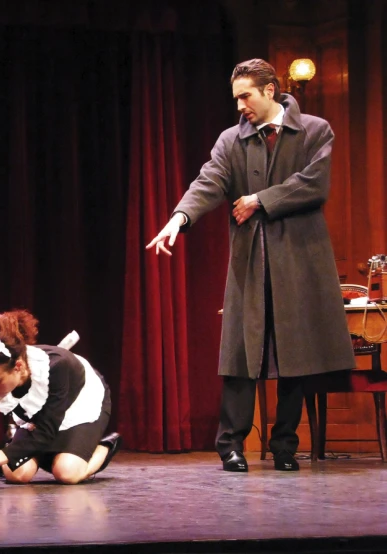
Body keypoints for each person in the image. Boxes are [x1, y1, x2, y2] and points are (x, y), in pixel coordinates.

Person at [146, 59, 355, 472]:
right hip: (252, 258)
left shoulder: (314, 130)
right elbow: (209, 181)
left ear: (271, 90)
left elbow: (315, 184)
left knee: (297, 354)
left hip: (300, 258)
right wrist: (179, 218)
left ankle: (284, 445)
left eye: (246, 96)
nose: (240, 105)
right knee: (242, 353)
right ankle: (231, 445)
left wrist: (260, 199)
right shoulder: (231, 140)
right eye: (236, 97)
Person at [0, 309, 122, 493]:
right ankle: (39, 449)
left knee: (66, 472)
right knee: (17, 474)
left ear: (18, 366)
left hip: (79, 404)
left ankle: (105, 446)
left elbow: (46, 430)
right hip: (43, 417)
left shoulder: (58, 366)